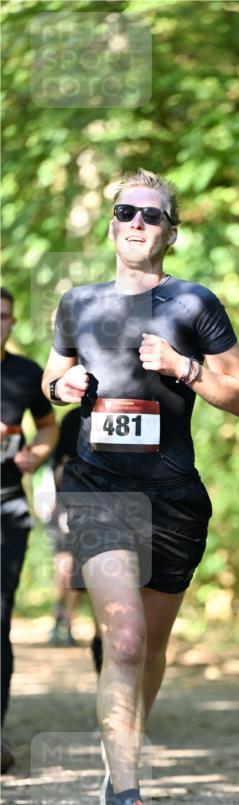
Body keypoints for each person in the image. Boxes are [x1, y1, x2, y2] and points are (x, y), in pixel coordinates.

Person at [41, 168, 239, 805]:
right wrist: (61, 382)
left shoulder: (193, 304)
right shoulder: (77, 303)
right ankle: (131, 799)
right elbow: (51, 378)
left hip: (174, 495)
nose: (137, 223)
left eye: (152, 215)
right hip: (98, 487)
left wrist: (185, 368)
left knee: (150, 648)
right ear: (111, 223)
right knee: (123, 639)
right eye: (126, 212)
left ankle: (119, 759)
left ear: (171, 232)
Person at [1, 287, 58, 773]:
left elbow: (48, 426)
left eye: (2, 317)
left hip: (7, 509)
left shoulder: (24, 374)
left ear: (12, 323)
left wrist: (34, 454)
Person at [46, 406, 103, 672]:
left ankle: (90, 628)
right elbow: (57, 468)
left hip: (111, 504)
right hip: (70, 500)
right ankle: (62, 616)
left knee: (88, 569)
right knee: (67, 565)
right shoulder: (71, 419)